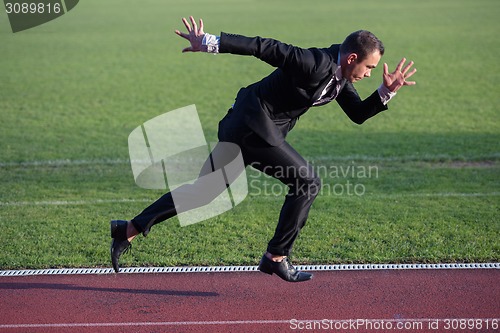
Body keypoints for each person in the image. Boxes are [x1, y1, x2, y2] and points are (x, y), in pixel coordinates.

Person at [111, 16, 416, 282]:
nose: (369, 73)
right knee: (307, 182)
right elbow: (264, 46)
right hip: (253, 126)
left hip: (245, 127)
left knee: (204, 191)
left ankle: (128, 229)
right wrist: (209, 42)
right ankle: (276, 257)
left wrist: (385, 92)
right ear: (351, 58)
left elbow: (358, 114)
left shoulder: (340, 81)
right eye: (369, 67)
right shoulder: (314, 62)